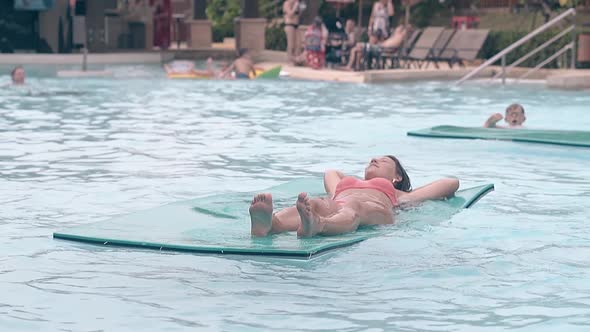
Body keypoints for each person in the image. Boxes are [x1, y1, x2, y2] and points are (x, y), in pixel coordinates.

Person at [249, 155, 460, 237]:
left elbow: (451, 183)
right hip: (338, 203)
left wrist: (408, 193)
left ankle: (319, 225)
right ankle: (271, 224)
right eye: (372, 159)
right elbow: (330, 172)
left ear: (396, 176)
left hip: (373, 210)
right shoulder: (345, 184)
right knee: (315, 203)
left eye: (384, 161)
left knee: (353, 204)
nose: (374, 159)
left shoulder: (402, 195)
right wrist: (349, 184)